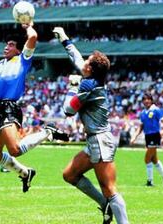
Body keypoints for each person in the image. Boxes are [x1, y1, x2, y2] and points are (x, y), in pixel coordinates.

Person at [0, 22, 68, 193]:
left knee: (15, 149)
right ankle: (25, 173)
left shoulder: (22, 60)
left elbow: (33, 37)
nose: (6, 47)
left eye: (11, 45)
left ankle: (47, 132)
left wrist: (28, 25)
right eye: (6, 44)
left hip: (10, 107)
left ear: (19, 50)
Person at [53, 27, 129, 224]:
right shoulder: (91, 78)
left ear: (90, 69)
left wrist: (71, 88)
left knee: (110, 188)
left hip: (100, 141)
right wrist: (64, 39)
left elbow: (68, 111)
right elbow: (77, 59)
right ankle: (105, 204)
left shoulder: (88, 85)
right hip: (95, 140)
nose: (83, 62)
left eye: (87, 62)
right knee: (69, 174)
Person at [130, 93, 163, 186]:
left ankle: (150, 181)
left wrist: (161, 134)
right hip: (148, 137)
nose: (146, 101)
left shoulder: (156, 110)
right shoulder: (143, 113)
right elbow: (140, 127)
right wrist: (134, 137)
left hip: (154, 136)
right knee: (154, 159)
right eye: (144, 99)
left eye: (148, 99)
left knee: (147, 159)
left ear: (151, 100)